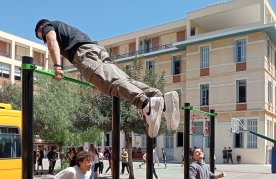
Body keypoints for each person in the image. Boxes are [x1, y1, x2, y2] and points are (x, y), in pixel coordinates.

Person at [34, 19, 180, 138]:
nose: (44, 42)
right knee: (125, 81)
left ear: (41, 27)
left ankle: (146, 105)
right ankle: (161, 98)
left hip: (83, 54)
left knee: (111, 85)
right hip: (97, 50)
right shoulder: (66, 28)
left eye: (42, 38)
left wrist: (57, 67)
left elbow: (52, 41)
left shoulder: (48, 26)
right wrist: (95, 79)